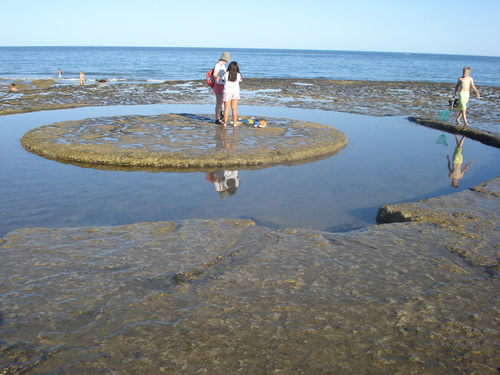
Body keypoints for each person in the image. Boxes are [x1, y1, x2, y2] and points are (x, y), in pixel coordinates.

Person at [222, 61, 242, 127]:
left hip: (227, 91)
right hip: (235, 92)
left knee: (226, 108)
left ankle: (225, 123)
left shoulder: (226, 74)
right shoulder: (238, 74)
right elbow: (240, 80)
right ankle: (235, 123)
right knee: (234, 108)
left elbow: (223, 80)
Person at [212, 52, 230, 124]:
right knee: (219, 102)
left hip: (222, 85)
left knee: (221, 102)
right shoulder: (218, 64)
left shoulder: (222, 65)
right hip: (219, 85)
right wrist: (216, 77)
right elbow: (215, 73)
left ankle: (220, 116)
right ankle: (217, 119)